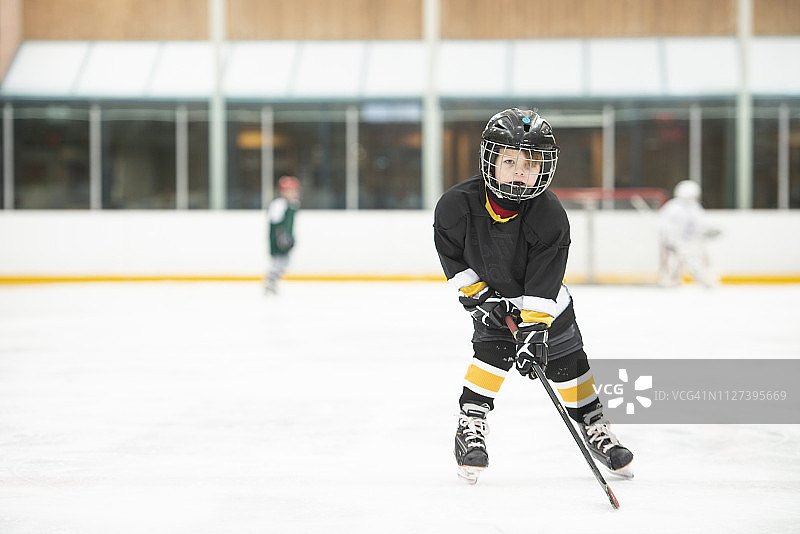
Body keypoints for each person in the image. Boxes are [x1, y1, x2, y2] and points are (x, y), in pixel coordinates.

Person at [433, 108, 634, 484]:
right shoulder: (455, 205)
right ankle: (470, 425)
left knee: (568, 363)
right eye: (509, 161)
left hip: (545, 304)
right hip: (492, 301)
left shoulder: (549, 215)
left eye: (531, 162)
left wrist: (535, 330)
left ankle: (592, 423)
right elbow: (453, 258)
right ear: (490, 160)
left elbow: (546, 280)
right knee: (492, 353)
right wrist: (480, 298)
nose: (520, 171)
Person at [658, 179, 718, 288]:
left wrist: (705, 233)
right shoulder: (672, 207)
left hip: (691, 241)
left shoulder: (695, 207)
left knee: (698, 260)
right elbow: (664, 227)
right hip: (675, 241)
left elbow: (700, 226)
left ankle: (705, 279)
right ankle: (669, 278)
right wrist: (671, 241)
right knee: (675, 261)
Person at [265, 175, 301, 295]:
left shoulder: (292, 205)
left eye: (294, 190)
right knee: (278, 262)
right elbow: (276, 225)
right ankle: (270, 282)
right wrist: (282, 239)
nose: (293, 193)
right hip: (278, 241)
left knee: (285, 262)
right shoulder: (278, 205)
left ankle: (272, 282)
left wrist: (290, 237)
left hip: (286, 240)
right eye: (289, 191)